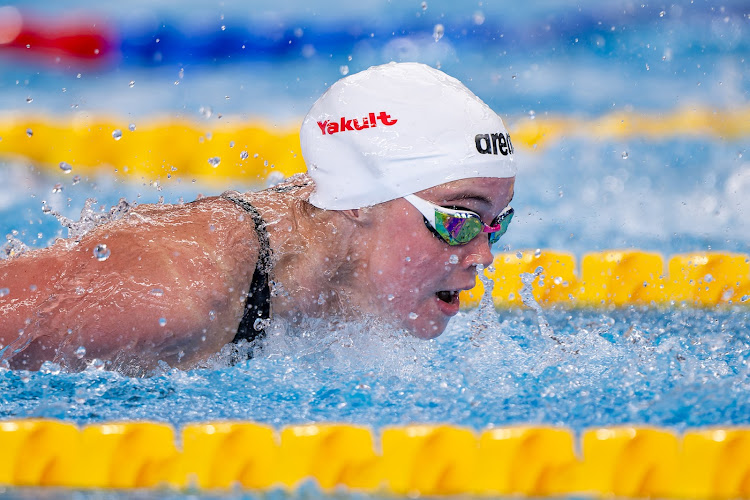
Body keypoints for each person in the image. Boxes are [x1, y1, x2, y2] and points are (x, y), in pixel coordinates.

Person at [0, 62, 516, 374]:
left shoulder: (334, 248)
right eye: (458, 219)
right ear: (359, 200)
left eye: (497, 224)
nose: (484, 255)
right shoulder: (177, 295)